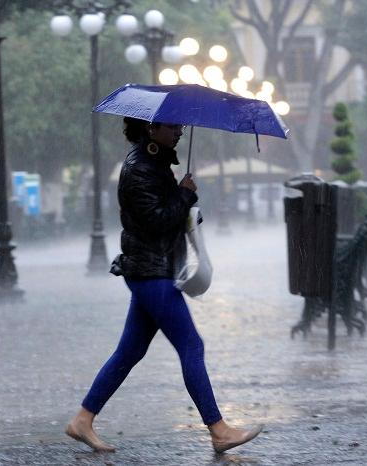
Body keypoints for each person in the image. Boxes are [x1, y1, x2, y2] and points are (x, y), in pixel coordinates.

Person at [66, 117, 262, 454]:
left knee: (129, 351)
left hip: (156, 268)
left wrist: (183, 197)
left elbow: (166, 214)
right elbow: (156, 221)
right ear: (150, 128)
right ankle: (218, 429)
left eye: (180, 127)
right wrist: (183, 196)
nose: (179, 131)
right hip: (150, 271)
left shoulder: (154, 163)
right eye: (172, 126)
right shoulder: (139, 168)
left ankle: (82, 420)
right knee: (191, 345)